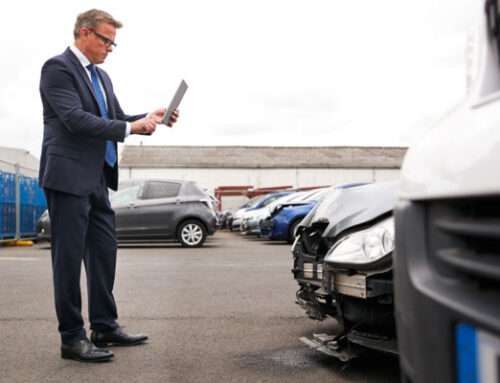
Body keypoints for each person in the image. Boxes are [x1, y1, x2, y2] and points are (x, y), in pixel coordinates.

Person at [38, 9, 179, 362]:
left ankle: (103, 325)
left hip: (99, 177)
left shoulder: (102, 77)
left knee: (104, 252)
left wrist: (150, 117)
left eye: (113, 42)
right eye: (107, 40)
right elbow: (74, 119)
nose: (111, 48)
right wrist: (131, 129)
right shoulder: (57, 68)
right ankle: (72, 337)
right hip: (68, 179)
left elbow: (114, 120)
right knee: (68, 261)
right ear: (85, 33)